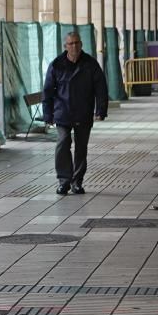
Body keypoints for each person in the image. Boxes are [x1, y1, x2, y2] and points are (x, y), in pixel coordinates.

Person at [42, 31, 108, 195]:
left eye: (77, 43)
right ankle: (64, 181)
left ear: (81, 44)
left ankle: (77, 182)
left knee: (81, 148)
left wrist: (100, 110)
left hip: (83, 112)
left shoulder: (90, 64)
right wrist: (48, 115)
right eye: (71, 44)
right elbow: (48, 91)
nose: (75, 46)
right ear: (65, 46)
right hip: (62, 112)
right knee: (63, 142)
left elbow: (101, 88)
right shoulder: (56, 64)